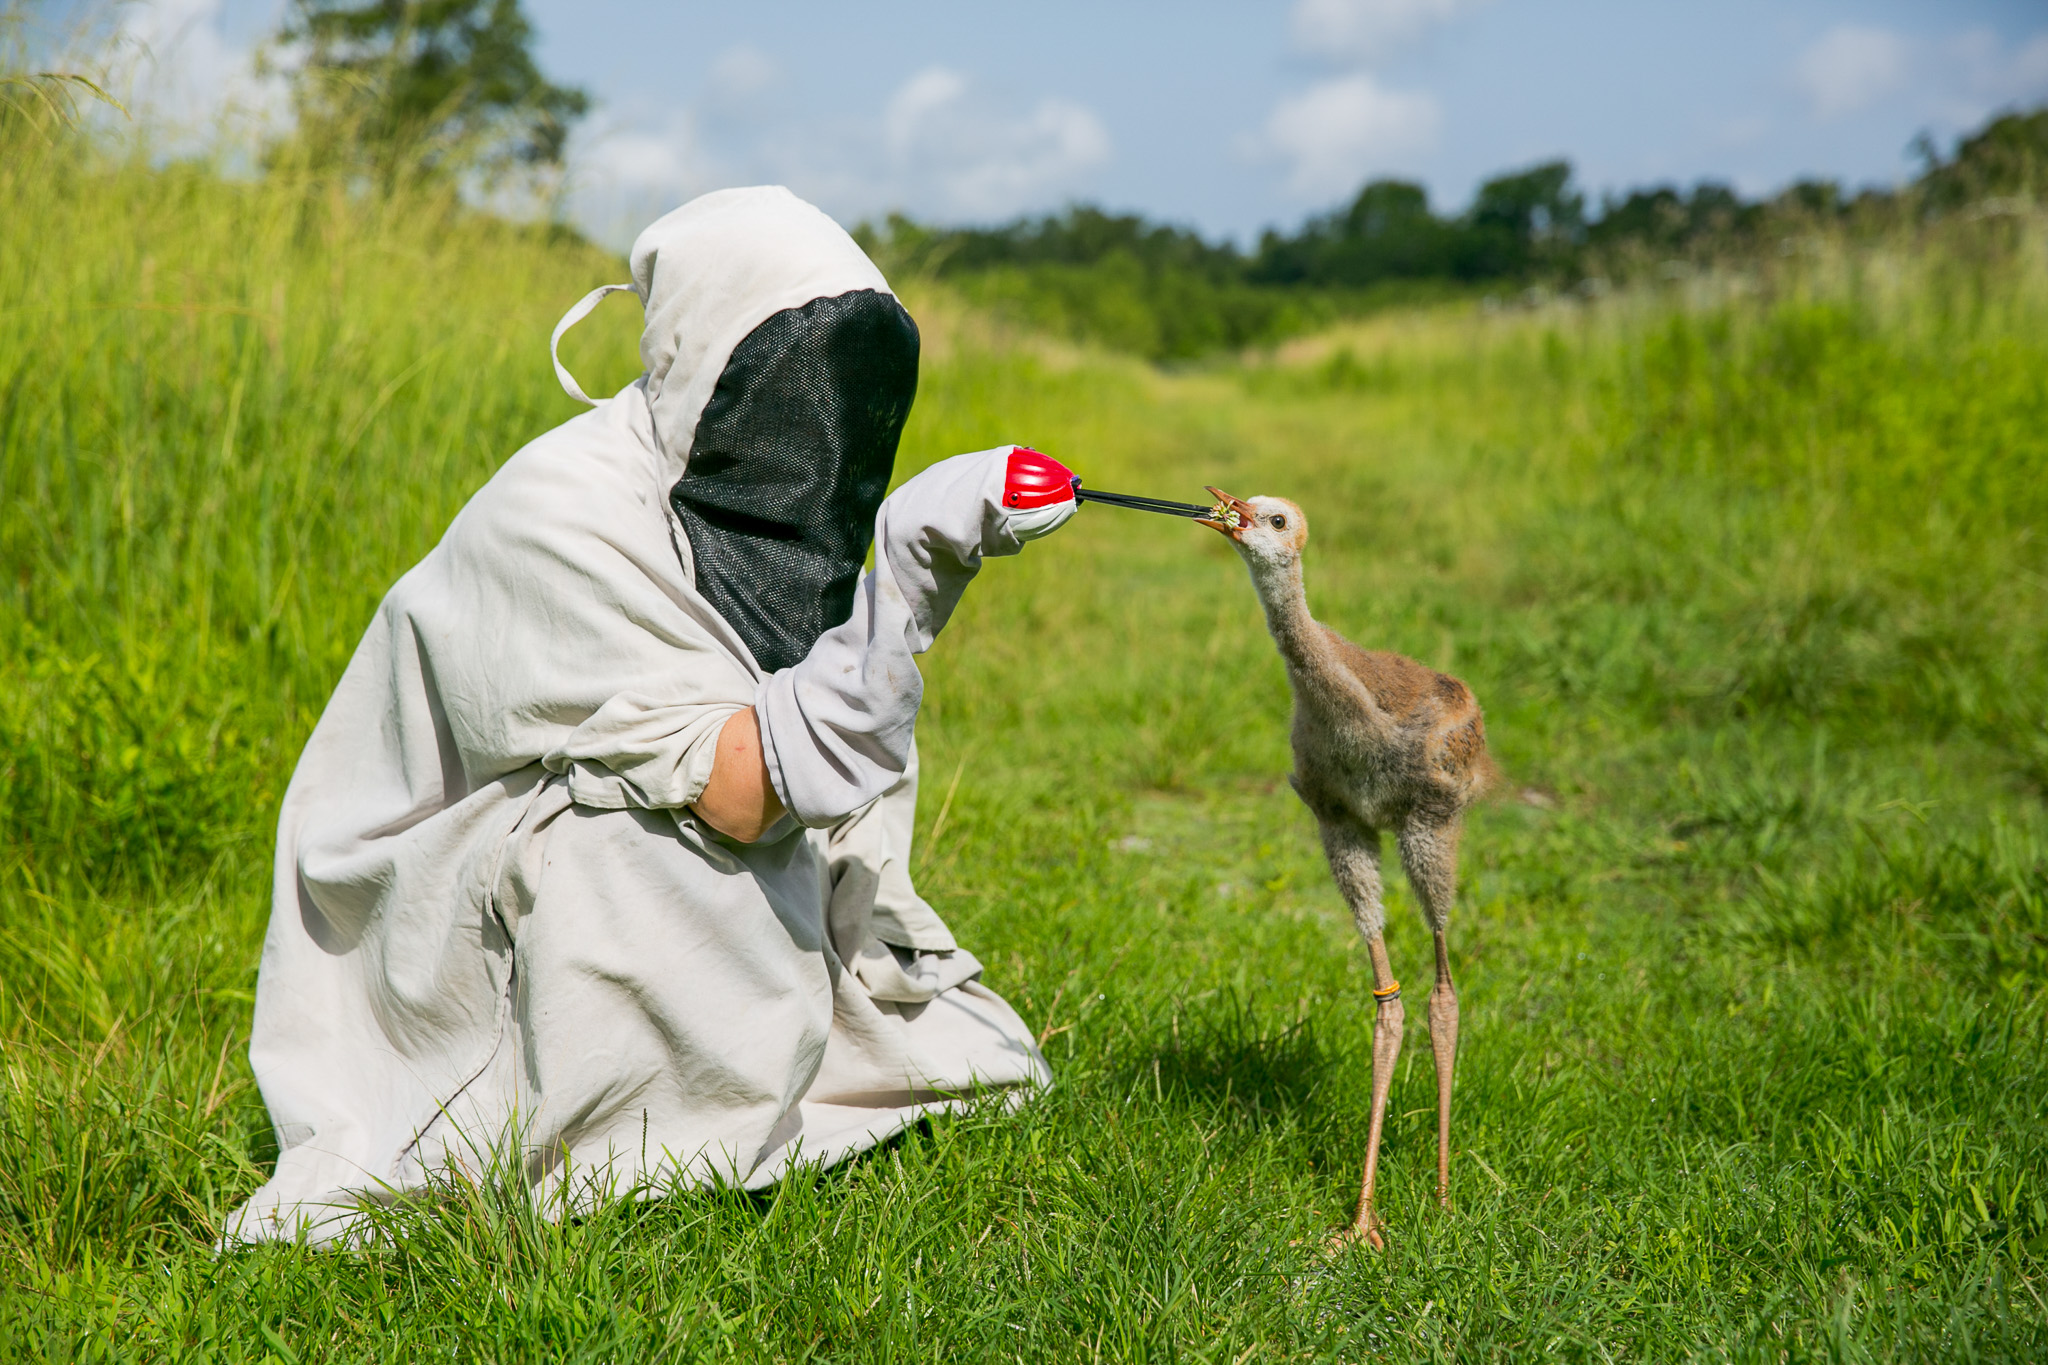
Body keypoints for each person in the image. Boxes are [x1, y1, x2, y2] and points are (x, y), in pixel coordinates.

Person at [225, 186, 1078, 1244]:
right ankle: (616, 1152)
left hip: (695, 822)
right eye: (793, 379)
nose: (821, 427)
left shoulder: (751, 521)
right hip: (438, 923)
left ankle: (735, 1085)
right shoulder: (560, 513)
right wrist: (906, 577)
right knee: (644, 845)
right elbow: (735, 791)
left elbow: (817, 756)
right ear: (706, 356)